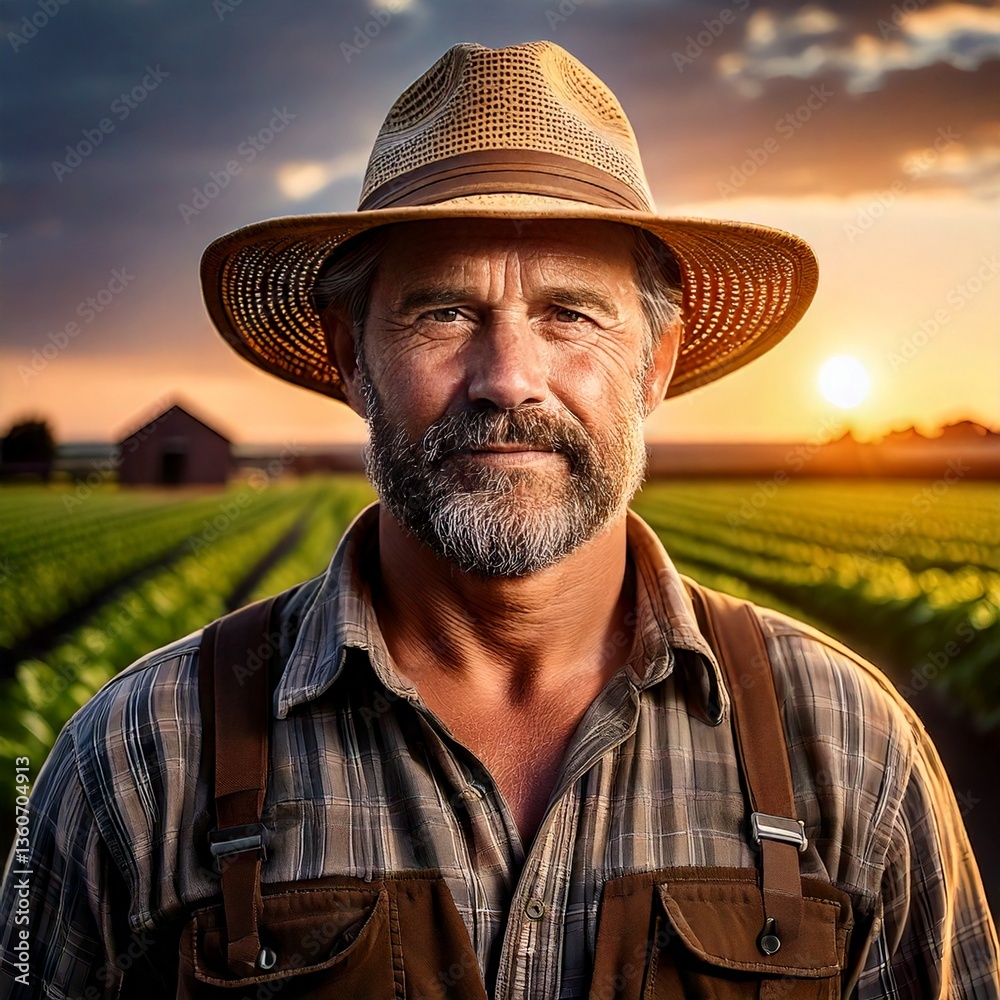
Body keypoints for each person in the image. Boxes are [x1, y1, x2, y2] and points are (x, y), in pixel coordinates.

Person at [2, 40, 997, 999]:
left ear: (656, 362)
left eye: (569, 312)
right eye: (443, 312)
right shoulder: (138, 756)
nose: (506, 378)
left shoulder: (849, 747)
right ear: (350, 352)